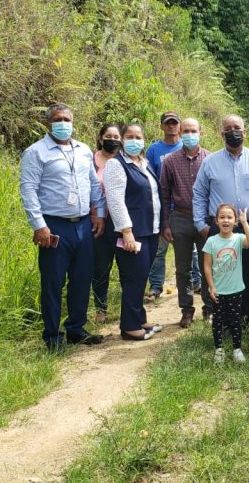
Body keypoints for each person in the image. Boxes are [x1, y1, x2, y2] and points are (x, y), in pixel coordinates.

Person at [19, 104, 106, 351]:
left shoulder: (84, 150)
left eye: (67, 119)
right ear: (48, 124)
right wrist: (39, 226)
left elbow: (92, 183)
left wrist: (98, 213)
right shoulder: (36, 153)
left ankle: (76, 329)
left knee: (81, 280)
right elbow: (28, 191)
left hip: (82, 225)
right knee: (53, 283)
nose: (63, 123)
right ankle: (52, 336)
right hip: (54, 226)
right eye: (58, 119)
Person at [193, 115, 249, 324]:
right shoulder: (210, 162)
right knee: (222, 274)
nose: (233, 131)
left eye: (237, 128)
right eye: (228, 128)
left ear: (245, 133)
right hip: (220, 229)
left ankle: (248, 318)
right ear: (222, 134)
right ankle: (224, 320)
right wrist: (201, 225)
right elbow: (199, 194)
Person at [103, 123, 165, 341]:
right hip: (131, 233)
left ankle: (139, 317)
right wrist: (126, 231)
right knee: (133, 278)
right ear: (122, 139)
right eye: (129, 136)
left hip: (150, 230)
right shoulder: (116, 165)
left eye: (138, 136)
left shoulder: (143, 163)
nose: (134, 140)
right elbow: (116, 200)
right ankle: (129, 326)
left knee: (142, 277)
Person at [160, 118, 212, 327]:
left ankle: (209, 308)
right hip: (179, 218)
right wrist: (165, 224)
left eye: (194, 131)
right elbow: (164, 194)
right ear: (180, 133)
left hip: (204, 219)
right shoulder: (170, 161)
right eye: (186, 131)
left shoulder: (209, 159)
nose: (190, 134)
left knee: (207, 265)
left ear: (201, 132)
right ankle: (186, 310)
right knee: (183, 268)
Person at [203, 204, 249, 363]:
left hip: (235, 289)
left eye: (229, 217)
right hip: (218, 291)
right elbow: (207, 266)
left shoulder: (239, 238)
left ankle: (236, 349)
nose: (226, 220)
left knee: (235, 320)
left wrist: (245, 223)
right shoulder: (211, 241)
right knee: (218, 321)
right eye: (222, 217)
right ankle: (219, 349)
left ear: (235, 221)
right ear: (216, 221)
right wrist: (211, 286)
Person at [144, 111, 183, 301]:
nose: (171, 126)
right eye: (168, 123)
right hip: (162, 206)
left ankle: (194, 281)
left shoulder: (186, 146)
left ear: (180, 126)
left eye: (174, 123)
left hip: (184, 207)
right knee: (160, 249)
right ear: (162, 126)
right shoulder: (153, 150)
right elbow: (149, 176)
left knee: (188, 249)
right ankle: (156, 285)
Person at [92, 123, 122, 323]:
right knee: (100, 266)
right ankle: (100, 309)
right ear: (101, 138)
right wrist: (96, 214)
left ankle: (129, 306)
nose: (113, 139)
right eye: (108, 136)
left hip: (121, 222)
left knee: (126, 266)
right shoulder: (90, 160)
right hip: (98, 221)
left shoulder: (125, 160)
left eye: (116, 136)